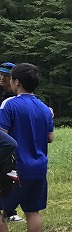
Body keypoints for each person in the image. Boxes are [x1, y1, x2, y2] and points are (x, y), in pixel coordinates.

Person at [0, 63, 55, 232]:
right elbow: (50, 137)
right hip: (39, 168)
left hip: (15, 169)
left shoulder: (9, 104)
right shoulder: (44, 108)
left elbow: (2, 135)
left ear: (16, 82)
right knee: (32, 210)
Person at [0, 61, 22, 223]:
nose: (2, 79)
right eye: (0, 75)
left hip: (10, 141)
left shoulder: (16, 97)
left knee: (8, 174)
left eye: (6, 76)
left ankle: (9, 211)